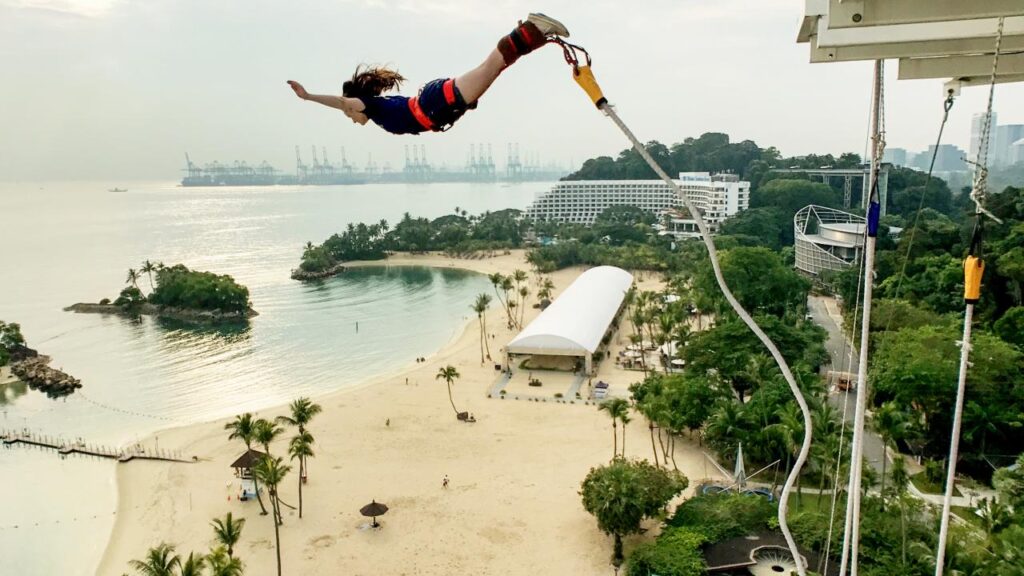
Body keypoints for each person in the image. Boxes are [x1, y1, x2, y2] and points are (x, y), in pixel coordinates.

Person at [287, 13, 570, 135]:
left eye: (349, 113)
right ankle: (534, 33)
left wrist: (308, 96)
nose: (351, 117)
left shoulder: (369, 106)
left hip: (435, 104)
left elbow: (340, 101)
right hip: (439, 108)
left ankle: (534, 26)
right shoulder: (380, 110)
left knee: (492, 66)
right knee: (496, 68)